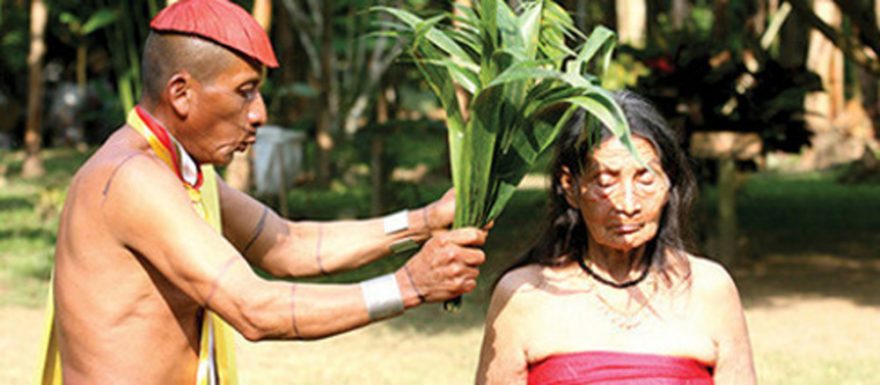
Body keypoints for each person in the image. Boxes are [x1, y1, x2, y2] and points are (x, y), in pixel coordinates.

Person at [36, 0, 488, 384]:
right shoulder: (133, 178)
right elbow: (255, 308)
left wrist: (423, 221)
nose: (260, 114)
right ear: (181, 94)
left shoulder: (176, 171)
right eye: (245, 92)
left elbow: (288, 244)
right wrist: (406, 286)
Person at [475, 90, 755, 385]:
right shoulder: (524, 296)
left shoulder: (709, 289)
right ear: (570, 186)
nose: (627, 204)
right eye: (605, 182)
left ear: (668, 181)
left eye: (645, 179)